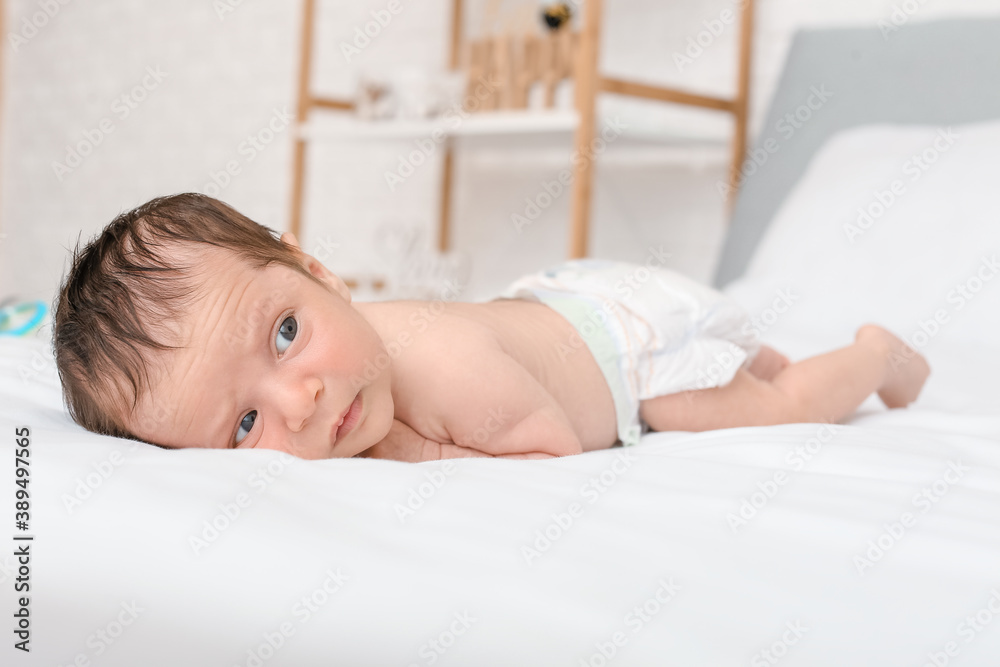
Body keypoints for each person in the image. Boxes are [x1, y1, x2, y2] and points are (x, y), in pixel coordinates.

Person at [53, 194, 930, 461]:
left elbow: (551, 448)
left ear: (318, 270)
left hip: (629, 349)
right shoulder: (350, 382)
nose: (301, 399)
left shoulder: (441, 361)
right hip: (558, 304)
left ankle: (870, 356)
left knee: (757, 407)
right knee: (747, 370)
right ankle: (763, 358)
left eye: (286, 335)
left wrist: (421, 458)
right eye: (244, 425)